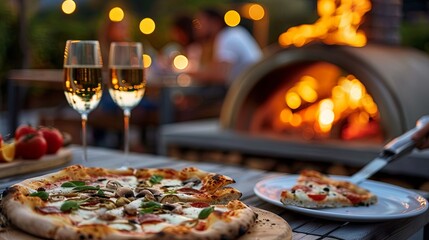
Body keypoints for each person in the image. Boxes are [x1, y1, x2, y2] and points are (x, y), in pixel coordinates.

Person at [188, 8, 262, 85]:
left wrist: (188, 74)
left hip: (252, 89)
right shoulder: (229, 35)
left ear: (215, 23)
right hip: (249, 87)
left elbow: (220, 75)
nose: (196, 28)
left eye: (200, 23)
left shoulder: (228, 37)